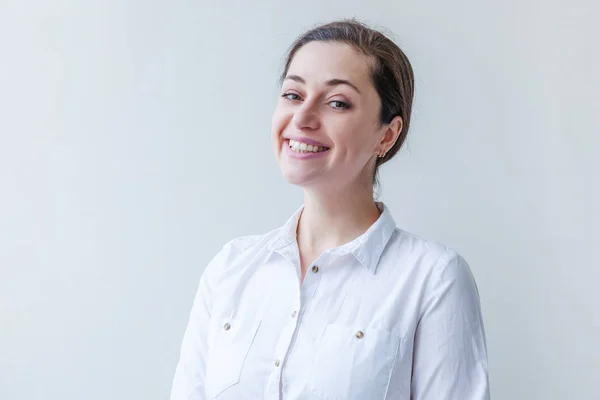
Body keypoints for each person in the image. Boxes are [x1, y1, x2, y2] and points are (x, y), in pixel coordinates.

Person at [170, 19, 490, 400]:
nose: (302, 119)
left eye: (337, 102)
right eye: (293, 94)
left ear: (387, 134)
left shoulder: (432, 279)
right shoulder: (231, 269)